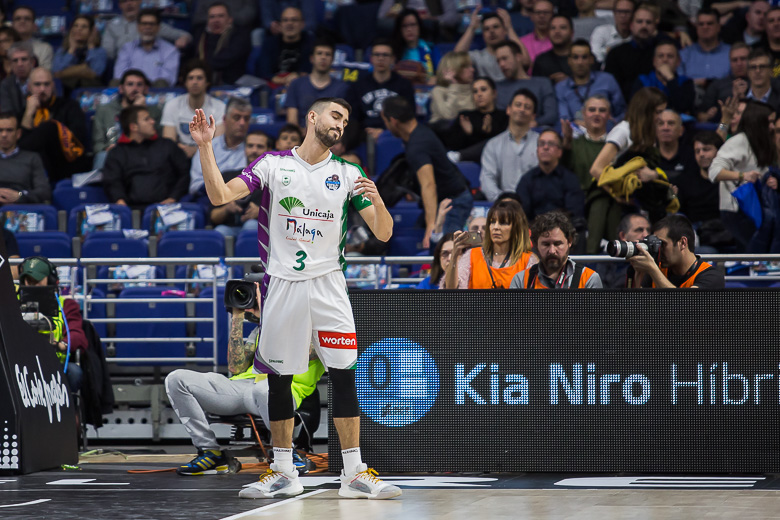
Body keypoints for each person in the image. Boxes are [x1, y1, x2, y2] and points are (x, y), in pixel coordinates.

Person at [190, 97, 400, 500]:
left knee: (344, 373)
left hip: (329, 284)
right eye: (336, 115)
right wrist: (205, 146)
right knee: (280, 379)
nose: (341, 123)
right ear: (312, 116)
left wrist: (378, 200)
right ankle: (283, 469)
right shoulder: (273, 165)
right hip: (282, 283)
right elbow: (219, 196)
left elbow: (385, 233)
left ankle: (354, 472)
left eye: (346, 119)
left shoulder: (348, 172)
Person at [165, 284, 325, 476]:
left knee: (266, 389)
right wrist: (237, 318)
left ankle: (286, 452)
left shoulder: (318, 331)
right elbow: (235, 367)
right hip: (240, 388)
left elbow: (298, 352)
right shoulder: (261, 330)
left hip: (281, 391)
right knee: (177, 379)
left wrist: (269, 316)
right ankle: (210, 451)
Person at [382, 95, 472, 247]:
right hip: (443, 201)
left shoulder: (417, 145)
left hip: (452, 203)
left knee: (447, 251)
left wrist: (431, 226)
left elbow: (429, 184)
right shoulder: (418, 133)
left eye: (384, 121)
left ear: (393, 121)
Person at [708, 100, 776, 252]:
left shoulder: (760, 142)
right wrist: (743, 175)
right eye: (769, 122)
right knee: (754, 254)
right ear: (758, 121)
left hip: (755, 208)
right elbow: (714, 171)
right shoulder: (739, 141)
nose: (772, 126)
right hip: (736, 210)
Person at [18, 256, 87, 391]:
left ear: (51, 280)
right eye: (28, 280)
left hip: (55, 362)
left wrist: (62, 344)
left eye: (36, 280)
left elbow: (77, 335)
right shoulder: (13, 304)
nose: (31, 284)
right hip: (20, 364)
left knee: (74, 372)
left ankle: (71, 411)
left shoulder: (66, 305)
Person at [102, 105, 190, 208]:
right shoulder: (117, 153)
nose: (152, 122)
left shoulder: (168, 145)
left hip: (168, 208)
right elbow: (112, 181)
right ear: (133, 127)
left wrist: (173, 197)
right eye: (146, 119)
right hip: (131, 210)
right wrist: (120, 201)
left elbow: (184, 173)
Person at [18, 68, 91, 183]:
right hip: (34, 163)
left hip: (66, 161)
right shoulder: (23, 111)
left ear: (53, 85)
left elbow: (78, 137)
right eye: (37, 85)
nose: (42, 89)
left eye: (46, 84)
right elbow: (18, 139)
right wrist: (28, 114)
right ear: (29, 87)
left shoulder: (70, 106)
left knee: (50, 127)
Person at [444, 199, 536, 289]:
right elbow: (451, 290)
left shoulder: (528, 261)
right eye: (492, 222)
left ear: (516, 229)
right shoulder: (471, 255)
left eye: (503, 223)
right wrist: (454, 256)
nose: (495, 227)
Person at [589, 86, 667, 181]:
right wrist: (619, 194)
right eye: (658, 112)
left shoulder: (649, 134)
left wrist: (654, 175)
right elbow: (596, 170)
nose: (661, 117)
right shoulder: (623, 130)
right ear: (645, 111)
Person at [346, 38, 415, 144]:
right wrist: (365, 132)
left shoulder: (404, 85)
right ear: (371, 59)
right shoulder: (358, 86)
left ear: (393, 59)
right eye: (377, 55)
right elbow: (352, 117)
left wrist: (385, 132)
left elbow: (408, 116)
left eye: (385, 55)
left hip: (395, 135)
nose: (381, 58)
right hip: (363, 136)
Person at [510, 210, 602, 288]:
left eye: (557, 244)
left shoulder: (588, 279)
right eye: (546, 244)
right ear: (536, 244)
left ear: (569, 241)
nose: (552, 251)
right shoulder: (521, 280)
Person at [629, 214, 725, 288]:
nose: (658, 250)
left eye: (662, 244)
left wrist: (652, 269)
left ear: (682, 243)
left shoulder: (712, 277)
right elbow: (637, 308)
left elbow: (682, 305)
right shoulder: (657, 270)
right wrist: (639, 273)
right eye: (655, 244)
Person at [92, 69, 161, 169]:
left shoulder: (154, 111)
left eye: (139, 84)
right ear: (121, 88)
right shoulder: (105, 110)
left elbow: (159, 141)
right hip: (112, 154)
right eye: (130, 84)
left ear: (146, 89)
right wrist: (107, 148)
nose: (135, 88)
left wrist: (139, 110)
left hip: (143, 153)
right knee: (103, 156)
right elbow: (97, 144)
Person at [480, 88, 540, 201]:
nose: (522, 109)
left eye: (527, 107)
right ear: (508, 109)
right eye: (518, 105)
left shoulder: (541, 144)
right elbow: (487, 180)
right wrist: (503, 201)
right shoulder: (493, 144)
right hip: (502, 207)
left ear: (533, 116)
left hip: (534, 206)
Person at [209, 130, 271, 237]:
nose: (254, 150)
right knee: (220, 231)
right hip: (229, 229)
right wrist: (226, 209)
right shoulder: (228, 176)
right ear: (245, 149)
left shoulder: (276, 180)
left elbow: (287, 216)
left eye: (260, 147)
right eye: (250, 146)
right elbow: (213, 216)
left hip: (261, 231)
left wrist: (261, 213)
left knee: (250, 226)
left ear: (269, 151)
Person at [161, 60, 226, 159]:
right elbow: (169, 142)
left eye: (199, 78)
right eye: (190, 78)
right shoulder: (172, 105)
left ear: (207, 82)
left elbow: (218, 144)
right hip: (179, 155)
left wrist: (196, 150)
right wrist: (184, 150)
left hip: (210, 157)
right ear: (185, 82)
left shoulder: (220, 107)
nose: (195, 82)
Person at [516, 129, 585, 221]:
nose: (545, 147)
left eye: (551, 144)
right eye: (541, 143)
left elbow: (574, 213)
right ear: (537, 150)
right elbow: (522, 215)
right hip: (532, 232)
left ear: (560, 152)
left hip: (563, 231)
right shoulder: (527, 180)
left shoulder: (570, 179)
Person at [605, 3, 668, 102]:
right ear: (631, 25)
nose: (644, 26)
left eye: (648, 22)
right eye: (639, 21)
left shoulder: (662, 53)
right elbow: (610, 88)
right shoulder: (616, 53)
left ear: (654, 27)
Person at [190, 97, 252, 195]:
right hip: (209, 199)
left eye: (246, 119)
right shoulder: (208, 147)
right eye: (237, 117)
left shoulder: (254, 149)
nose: (242, 123)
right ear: (224, 119)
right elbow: (195, 185)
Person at [555, 39, 625, 122]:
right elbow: (564, 119)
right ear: (569, 61)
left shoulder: (607, 80)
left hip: (607, 131)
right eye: (575, 57)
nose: (580, 62)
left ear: (591, 60)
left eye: (584, 57)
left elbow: (621, 112)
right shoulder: (561, 87)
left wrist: (613, 123)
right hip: (575, 132)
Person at [285, 39, 348, 128]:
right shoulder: (296, 84)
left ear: (332, 59)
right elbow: (292, 121)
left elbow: (341, 122)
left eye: (327, 54)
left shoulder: (341, 88)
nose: (323, 57)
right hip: (301, 138)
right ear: (312, 58)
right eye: (319, 53)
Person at [445, 77, 508, 163]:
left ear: (494, 93)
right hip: (467, 163)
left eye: (483, 89)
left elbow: (503, 145)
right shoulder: (465, 116)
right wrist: (467, 134)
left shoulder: (505, 116)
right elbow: (453, 148)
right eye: (475, 91)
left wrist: (489, 132)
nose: (479, 94)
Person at [455, 9, 528, 83]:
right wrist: (471, 28)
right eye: (486, 29)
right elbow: (456, 58)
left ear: (504, 30)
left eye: (496, 27)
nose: (491, 31)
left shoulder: (512, 53)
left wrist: (509, 28)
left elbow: (525, 61)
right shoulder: (478, 56)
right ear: (483, 35)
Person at [494, 41, 558, 126]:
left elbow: (551, 115)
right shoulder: (497, 87)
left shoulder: (542, 83)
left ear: (518, 57)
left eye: (505, 58)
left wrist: (535, 123)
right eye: (498, 61)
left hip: (537, 133)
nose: (501, 64)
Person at [101, 0, 191, 60]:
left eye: (132, 0)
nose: (129, 4)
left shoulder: (151, 23)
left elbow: (185, 35)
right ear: (120, 5)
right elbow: (108, 53)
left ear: (140, 1)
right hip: (124, 66)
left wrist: (184, 38)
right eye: (124, 1)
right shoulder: (112, 26)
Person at [113, 9, 180, 87]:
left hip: (155, 93)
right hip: (130, 91)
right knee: (115, 83)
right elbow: (119, 75)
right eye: (144, 24)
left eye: (151, 24)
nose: (148, 27)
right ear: (138, 27)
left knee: (161, 83)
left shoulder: (170, 50)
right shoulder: (127, 48)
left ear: (158, 27)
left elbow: (168, 79)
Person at [191, 2, 251, 85]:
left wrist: (200, 68)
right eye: (212, 17)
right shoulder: (200, 35)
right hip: (200, 81)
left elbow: (223, 59)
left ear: (230, 19)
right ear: (207, 21)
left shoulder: (239, 35)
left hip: (231, 82)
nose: (216, 20)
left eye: (221, 16)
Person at [631, 41, 696, 115]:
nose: (665, 60)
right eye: (661, 56)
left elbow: (683, 107)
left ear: (678, 62)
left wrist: (670, 78)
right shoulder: (642, 81)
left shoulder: (686, 82)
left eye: (670, 56)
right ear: (654, 61)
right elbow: (636, 109)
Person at [255, 6, 314, 87]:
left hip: (302, 86)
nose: (289, 23)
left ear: (302, 24)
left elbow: (310, 70)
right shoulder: (269, 43)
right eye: (285, 20)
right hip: (274, 87)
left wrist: (298, 76)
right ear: (280, 24)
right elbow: (264, 72)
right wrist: (283, 80)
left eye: (294, 20)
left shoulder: (311, 43)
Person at [0, 112, 49, 205]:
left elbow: (44, 192)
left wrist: (19, 195)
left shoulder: (32, 158)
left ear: (18, 134)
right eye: (0, 130)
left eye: (9, 130)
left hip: (21, 210)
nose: (4, 135)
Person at [51, 15, 107, 92]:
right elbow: (56, 72)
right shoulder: (62, 50)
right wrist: (71, 49)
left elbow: (96, 73)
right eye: (75, 26)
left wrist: (91, 47)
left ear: (91, 31)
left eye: (84, 27)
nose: (79, 29)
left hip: (89, 89)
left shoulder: (99, 51)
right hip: (65, 90)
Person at [696, 42, 749, 123]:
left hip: (751, 129)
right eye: (734, 60)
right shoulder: (717, 85)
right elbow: (700, 115)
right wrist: (708, 116)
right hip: (725, 128)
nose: (739, 63)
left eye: (743, 59)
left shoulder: (758, 83)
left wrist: (741, 98)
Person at [597, 213, 651, 288]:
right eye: (639, 230)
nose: (646, 235)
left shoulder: (655, 260)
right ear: (623, 236)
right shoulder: (606, 261)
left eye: (648, 230)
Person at [678, 9, 731, 86]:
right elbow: (679, 83)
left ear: (718, 27)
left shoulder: (731, 52)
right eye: (701, 24)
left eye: (710, 23)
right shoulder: (684, 54)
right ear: (696, 27)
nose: (705, 27)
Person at [391, 8, 441, 84]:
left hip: (426, 90)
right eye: (405, 26)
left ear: (419, 27)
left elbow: (441, 74)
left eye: (413, 25)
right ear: (399, 29)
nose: (409, 29)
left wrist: (435, 78)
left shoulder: (431, 48)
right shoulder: (392, 50)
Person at [429, 52, 476, 125]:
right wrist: (454, 86)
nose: (472, 70)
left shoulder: (474, 90)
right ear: (453, 69)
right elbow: (448, 116)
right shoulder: (438, 91)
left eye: (471, 66)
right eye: (466, 66)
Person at [531, 14, 574, 83]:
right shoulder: (541, 61)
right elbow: (536, 88)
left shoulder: (582, 57)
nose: (557, 31)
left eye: (563, 27)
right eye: (553, 28)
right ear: (548, 33)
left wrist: (569, 82)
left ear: (572, 33)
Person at [590, 0, 635, 64]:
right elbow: (594, 55)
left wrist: (610, 51)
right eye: (619, 11)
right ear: (614, 13)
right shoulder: (602, 31)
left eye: (627, 12)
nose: (623, 15)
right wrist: (608, 51)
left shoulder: (638, 36)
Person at [0, 42, 36, 120]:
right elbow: (7, 114)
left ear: (32, 62)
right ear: (10, 64)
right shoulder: (5, 85)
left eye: (24, 59)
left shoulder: (42, 80)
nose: (20, 64)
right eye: (15, 60)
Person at [520, 0, 555, 65]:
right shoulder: (522, 43)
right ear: (532, 16)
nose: (541, 16)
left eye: (546, 12)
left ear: (553, 15)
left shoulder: (560, 40)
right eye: (538, 12)